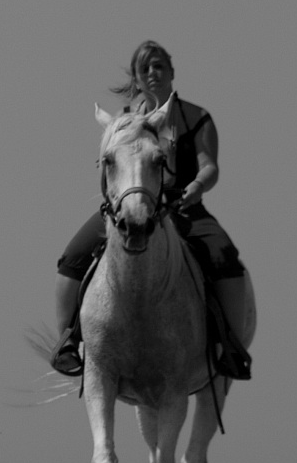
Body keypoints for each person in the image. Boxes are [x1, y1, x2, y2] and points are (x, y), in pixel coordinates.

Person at [50, 40, 252, 380]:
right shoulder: (124, 122)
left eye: (158, 66)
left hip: (185, 209)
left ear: (172, 71)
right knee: (72, 258)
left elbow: (209, 166)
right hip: (130, 210)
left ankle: (231, 347)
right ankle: (68, 341)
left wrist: (196, 186)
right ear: (136, 79)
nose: (152, 73)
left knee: (226, 259)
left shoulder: (196, 117)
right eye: (145, 69)